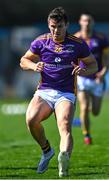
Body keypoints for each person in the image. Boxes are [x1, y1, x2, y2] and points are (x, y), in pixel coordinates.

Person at [20, 7, 97, 177]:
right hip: (45, 91)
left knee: (64, 125)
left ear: (67, 25)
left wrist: (84, 71)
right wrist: (34, 65)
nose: (56, 30)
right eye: (53, 26)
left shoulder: (77, 44)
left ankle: (64, 161)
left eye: (60, 26)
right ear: (49, 25)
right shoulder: (41, 42)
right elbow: (24, 60)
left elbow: (93, 65)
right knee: (31, 119)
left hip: (66, 93)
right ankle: (47, 151)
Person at [74, 13, 109, 145]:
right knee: (84, 107)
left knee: (95, 111)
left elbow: (106, 58)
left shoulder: (101, 38)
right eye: (84, 20)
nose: (86, 23)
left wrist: (104, 72)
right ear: (80, 22)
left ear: (92, 22)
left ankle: (87, 113)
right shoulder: (75, 38)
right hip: (82, 78)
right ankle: (86, 135)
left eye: (89, 20)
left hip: (97, 79)